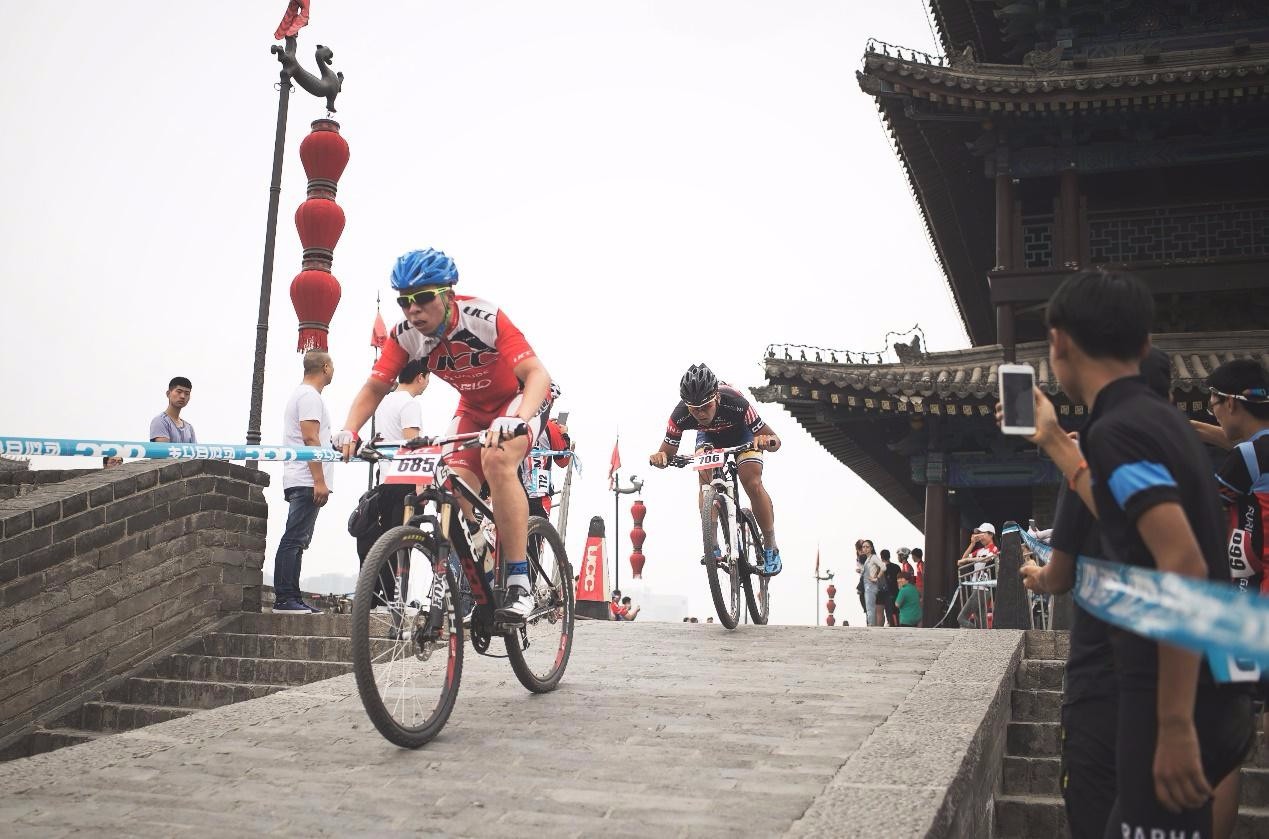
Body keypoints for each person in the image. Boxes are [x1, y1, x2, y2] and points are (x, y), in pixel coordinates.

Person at [1015, 269, 1253, 839]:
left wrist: (1173, 725)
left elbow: (1182, 562)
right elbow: (1132, 515)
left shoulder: (1116, 430)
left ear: (1059, 343)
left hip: (1162, 697)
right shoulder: (1163, 422)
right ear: (1145, 345)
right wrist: (1057, 447)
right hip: (1208, 675)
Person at [334, 248, 554, 623]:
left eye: (422, 299)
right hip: (473, 408)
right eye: (404, 302)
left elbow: (537, 375)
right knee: (448, 486)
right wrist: (349, 428)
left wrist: (516, 418)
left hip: (518, 399)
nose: (413, 310)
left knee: (497, 459)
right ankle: (481, 556)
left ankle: (519, 582)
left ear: (448, 295)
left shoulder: (483, 316)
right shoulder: (405, 336)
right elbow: (374, 389)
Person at [648, 364, 783, 575]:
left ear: (717, 398)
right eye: (694, 409)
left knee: (752, 482)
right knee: (704, 481)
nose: (700, 413)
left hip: (742, 435)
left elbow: (775, 440)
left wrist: (767, 440)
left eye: (706, 407)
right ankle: (712, 544)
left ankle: (770, 545)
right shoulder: (680, 414)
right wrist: (660, 458)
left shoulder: (736, 402)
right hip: (709, 439)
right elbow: (666, 453)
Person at [355, 358, 430, 607]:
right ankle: (396, 600)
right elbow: (413, 445)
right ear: (420, 376)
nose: (427, 384)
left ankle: (384, 596)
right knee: (404, 541)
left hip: (385, 479)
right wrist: (422, 486)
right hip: (405, 480)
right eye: (427, 378)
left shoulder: (386, 401)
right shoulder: (410, 404)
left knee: (387, 539)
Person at [272, 351, 335, 615]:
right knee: (294, 538)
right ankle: (285, 598)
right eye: (332, 366)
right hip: (307, 479)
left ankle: (292, 597)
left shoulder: (303, 395)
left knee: (298, 539)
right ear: (325, 367)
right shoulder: (309, 396)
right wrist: (319, 481)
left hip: (303, 477)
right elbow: (311, 439)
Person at [524, 409, 572, 519]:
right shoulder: (550, 427)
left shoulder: (511, 420)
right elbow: (563, 461)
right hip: (540, 492)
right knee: (538, 532)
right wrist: (564, 434)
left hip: (514, 488)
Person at [957, 524, 998, 629]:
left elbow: (986, 559)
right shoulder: (979, 551)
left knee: (961, 618)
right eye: (979, 533)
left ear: (991, 535)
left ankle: (976, 636)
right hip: (977, 588)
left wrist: (968, 560)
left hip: (983, 588)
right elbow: (962, 561)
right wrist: (972, 544)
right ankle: (983, 640)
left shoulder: (994, 548)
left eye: (982, 533)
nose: (980, 536)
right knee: (981, 623)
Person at [149, 376, 196, 444]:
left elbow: (195, 452)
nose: (183, 396)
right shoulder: (160, 421)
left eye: (187, 393)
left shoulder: (189, 427)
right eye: (179, 392)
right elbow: (164, 452)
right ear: (168, 394)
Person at [863, 541, 886, 627]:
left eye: (867, 547)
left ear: (871, 548)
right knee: (870, 607)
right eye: (864, 547)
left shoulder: (873, 557)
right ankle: (871, 624)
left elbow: (883, 567)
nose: (865, 548)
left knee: (870, 607)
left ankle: (871, 625)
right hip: (867, 584)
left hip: (871, 585)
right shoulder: (868, 559)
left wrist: (876, 578)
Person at [881, 549, 900, 626]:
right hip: (896, 591)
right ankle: (897, 624)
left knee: (889, 612)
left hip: (887, 593)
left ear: (881, 558)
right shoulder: (896, 567)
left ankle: (891, 624)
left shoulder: (882, 569)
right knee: (896, 611)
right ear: (889, 556)